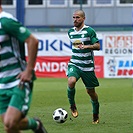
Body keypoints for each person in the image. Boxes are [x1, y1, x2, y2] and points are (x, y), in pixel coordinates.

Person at [0, 0, 48, 133]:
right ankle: (36, 124)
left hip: (18, 79)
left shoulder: (6, 21)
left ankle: (35, 125)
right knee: (10, 127)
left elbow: (33, 41)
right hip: (2, 83)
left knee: (10, 122)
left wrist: (29, 70)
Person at [67, 9, 100, 124]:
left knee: (91, 92)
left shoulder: (89, 31)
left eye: (78, 17)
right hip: (75, 63)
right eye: (74, 17)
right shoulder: (70, 32)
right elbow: (76, 45)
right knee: (71, 81)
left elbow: (98, 46)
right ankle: (72, 105)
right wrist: (80, 47)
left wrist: (86, 47)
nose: (75, 20)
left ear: (83, 18)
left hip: (87, 67)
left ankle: (95, 113)